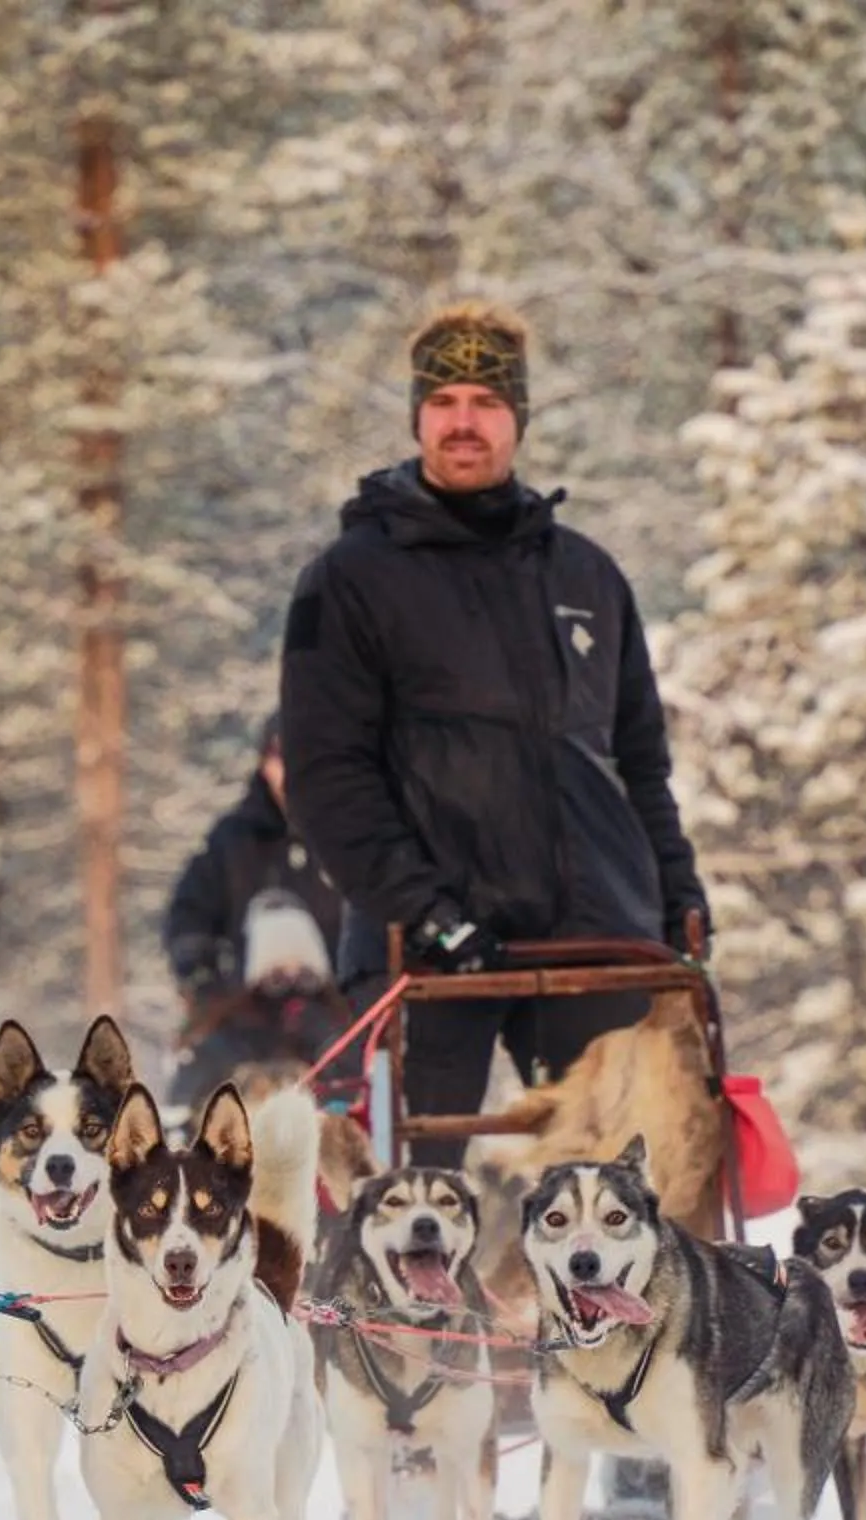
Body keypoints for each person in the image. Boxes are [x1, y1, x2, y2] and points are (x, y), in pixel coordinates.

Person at [278, 300, 708, 1166]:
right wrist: (426, 913)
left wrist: (677, 896)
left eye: (485, 401)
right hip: (430, 950)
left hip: (594, 942)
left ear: (519, 417)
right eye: (444, 402)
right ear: (417, 417)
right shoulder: (350, 579)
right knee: (414, 1206)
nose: (464, 421)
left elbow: (639, 761)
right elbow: (328, 778)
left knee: (619, 1201)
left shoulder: (587, 574)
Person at [160, 713, 351, 1111]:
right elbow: (188, 913)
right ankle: (179, 1145)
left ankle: (360, 1146)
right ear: (265, 761)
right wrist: (200, 970)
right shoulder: (233, 839)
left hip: (333, 1001)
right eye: (282, 757)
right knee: (201, 1065)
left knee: (354, 1064)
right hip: (242, 1004)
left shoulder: (347, 837)